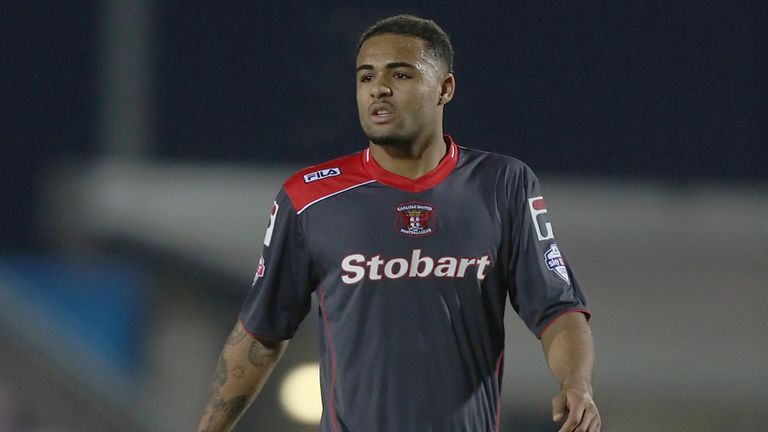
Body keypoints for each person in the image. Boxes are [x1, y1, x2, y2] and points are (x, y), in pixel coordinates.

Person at [195, 14, 601, 432]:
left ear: (445, 88)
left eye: (401, 74)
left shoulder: (503, 185)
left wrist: (577, 384)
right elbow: (260, 334)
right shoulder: (309, 199)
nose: (379, 88)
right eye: (366, 76)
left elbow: (557, 308)